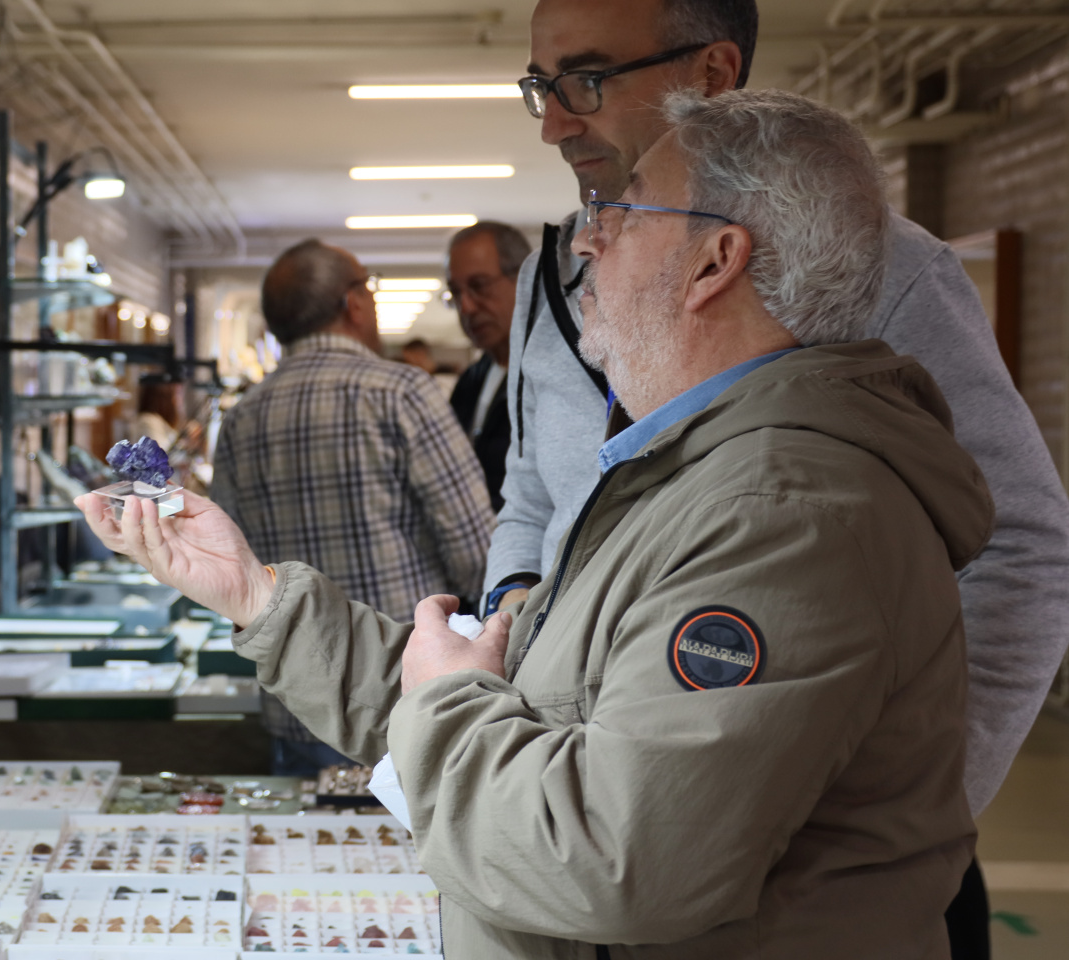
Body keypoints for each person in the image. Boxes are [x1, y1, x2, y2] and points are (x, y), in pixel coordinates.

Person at [79, 88, 991, 959]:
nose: (586, 244)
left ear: (716, 261)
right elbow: (520, 706)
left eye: (623, 215)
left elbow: (613, 859)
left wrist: (448, 701)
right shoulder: (685, 475)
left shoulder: (782, 516)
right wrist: (254, 594)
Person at [490, 3, 1069, 951]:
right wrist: (519, 627)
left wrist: (891, 823)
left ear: (713, 73)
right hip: (592, 821)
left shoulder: (881, 264)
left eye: (585, 81)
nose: (555, 122)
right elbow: (534, 501)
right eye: (540, 88)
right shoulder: (548, 283)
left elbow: (1023, 545)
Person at [209, 239, 493, 776]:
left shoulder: (243, 417)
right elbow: (474, 548)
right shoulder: (402, 391)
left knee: (318, 856)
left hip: (295, 698)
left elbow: (231, 564)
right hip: (402, 693)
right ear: (353, 303)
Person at [445, 222, 532, 509]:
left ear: (523, 277)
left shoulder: (554, 376)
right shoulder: (471, 379)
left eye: (479, 286)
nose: (466, 307)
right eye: (456, 293)